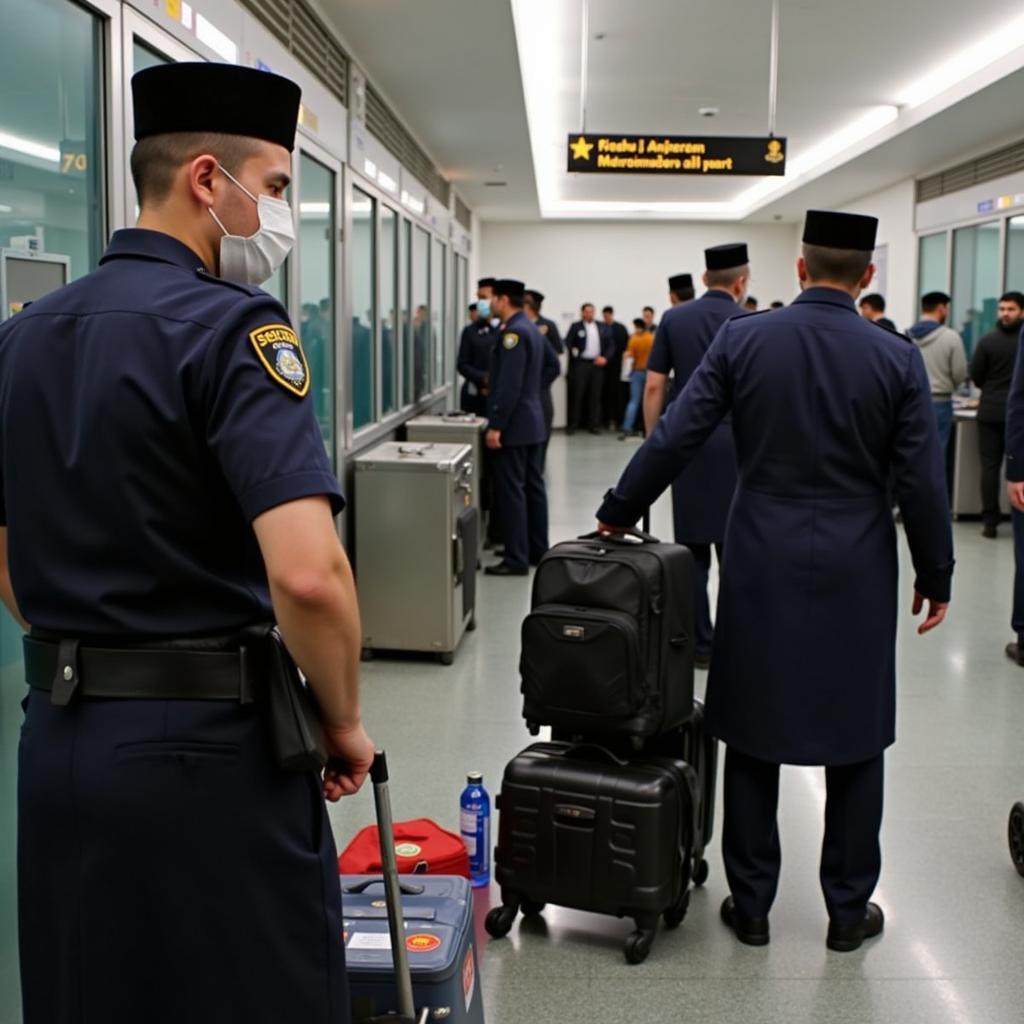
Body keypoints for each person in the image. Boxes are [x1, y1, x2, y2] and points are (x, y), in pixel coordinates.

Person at [0, 62, 374, 1024]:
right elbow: (309, 574)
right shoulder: (234, 332)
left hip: (60, 744)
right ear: (209, 178)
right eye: (280, 187)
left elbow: (5, 554)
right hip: (209, 760)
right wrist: (340, 719)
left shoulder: (24, 337)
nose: (284, 214)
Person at [598, 210, 953, 953]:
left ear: (798, 268)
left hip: (759, 554)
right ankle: (848, 912)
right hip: (859, 562)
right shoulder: (895, 358)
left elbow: (678, 433)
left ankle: (752, 905)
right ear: (868, 276)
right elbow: (921, 478)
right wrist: (935, 570)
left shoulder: (745, 339)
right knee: (856, 736)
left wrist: (619, 508)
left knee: (751, 725)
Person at [643, 243, 749, 669]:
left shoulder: (674, 319)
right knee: (736, 553)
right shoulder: (751, 322)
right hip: (740, 448)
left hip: (689, 446)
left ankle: (698, 645)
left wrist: (657, 442)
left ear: (704, 279)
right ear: (741, 282)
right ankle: (735, 642)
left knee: (692, 552)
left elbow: (654, 386)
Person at [484, 279, 559, 576]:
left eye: (492, 299)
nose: (489, 304)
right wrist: (533, 393)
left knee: (512, 490)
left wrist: (497, 425)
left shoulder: (513, 333)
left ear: (503, 300)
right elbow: (553, 366)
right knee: (533, 487)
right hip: (534, 419)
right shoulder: (532, 328)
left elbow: (508, 385)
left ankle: (516, 558)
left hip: (514, 425)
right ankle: (536, 549)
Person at [971, 291, 1024, 538]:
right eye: (1002, 309)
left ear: (1022, 311)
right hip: (1008, 415)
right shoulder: (988, 341)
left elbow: (977, 376)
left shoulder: (987, 341)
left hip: (992, 408)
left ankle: (990, 521)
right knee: (998, 468)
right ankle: (996, 521)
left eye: (1010, 309)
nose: (1004, 313)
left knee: (991, 467)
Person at [906, 291, 968, 452]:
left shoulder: (906, 336)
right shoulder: (951, 337)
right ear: (941, 309)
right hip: (940, 401)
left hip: (910, 399)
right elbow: (959, 374)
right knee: (937, 450)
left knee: (912, 449)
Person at [524, 288, 564, 462]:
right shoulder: (518, 325)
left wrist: (541, 383)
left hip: (540, 384)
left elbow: (557, 353)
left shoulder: (548, 325)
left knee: (542, 424)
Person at [566, 302, 613, 434]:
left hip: (597, 364)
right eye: (586, 312)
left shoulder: (602, 326)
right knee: (578, 395)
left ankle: (594, 425)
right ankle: (573, 425)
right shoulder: (576, 326)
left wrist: (605, 358)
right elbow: (568, 342)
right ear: (582, 313)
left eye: (591, 311)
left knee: (595, 396)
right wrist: (575, 352)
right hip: (581, 364)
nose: (589, 314)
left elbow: (610, 345)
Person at [457, 277, 500, 416]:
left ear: (496, 298)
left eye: (483, 298)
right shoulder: (470, 331)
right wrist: (483, 379)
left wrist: (493, 383)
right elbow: (462, 364)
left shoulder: (507, 329)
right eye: (478, 298)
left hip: (499, 397)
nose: (480, 303)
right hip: (474, 396)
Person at [619, 317, 655, 439]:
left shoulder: (633, 339)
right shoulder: (651, 338)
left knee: (634, 401)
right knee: (651, 400)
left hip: (636, 372)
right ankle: (649, 428)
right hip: (650, 372)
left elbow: (628, 356)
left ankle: (627, 427)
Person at [601, 305, 630, 429]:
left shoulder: (620, 328)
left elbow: (626, 346)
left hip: (618, 366)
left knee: (618, 393)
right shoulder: (600, 328)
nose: (606, 317)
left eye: (608, 315)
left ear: (612, 314)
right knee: (604, 393)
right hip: (603, 367)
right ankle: (605, 419)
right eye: (605, 315)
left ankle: (618, 420)